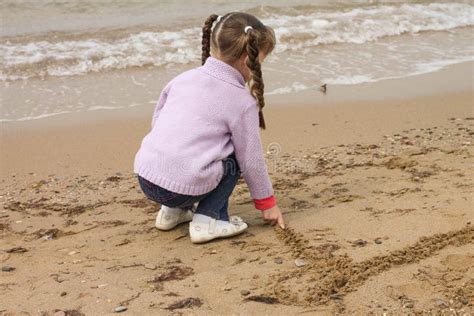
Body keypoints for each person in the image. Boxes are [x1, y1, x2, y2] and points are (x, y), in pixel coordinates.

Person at [133, 12, 285, 244]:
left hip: (147, 177)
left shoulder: (183, 78)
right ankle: (208, 219)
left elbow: (160, 124)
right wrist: (267, 203)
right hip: (183, 187)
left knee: (184, 146)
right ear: (248, 59)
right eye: (258, 62)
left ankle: (171, 212)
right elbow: (251, 160)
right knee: (234, 155)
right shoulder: (241, 101)